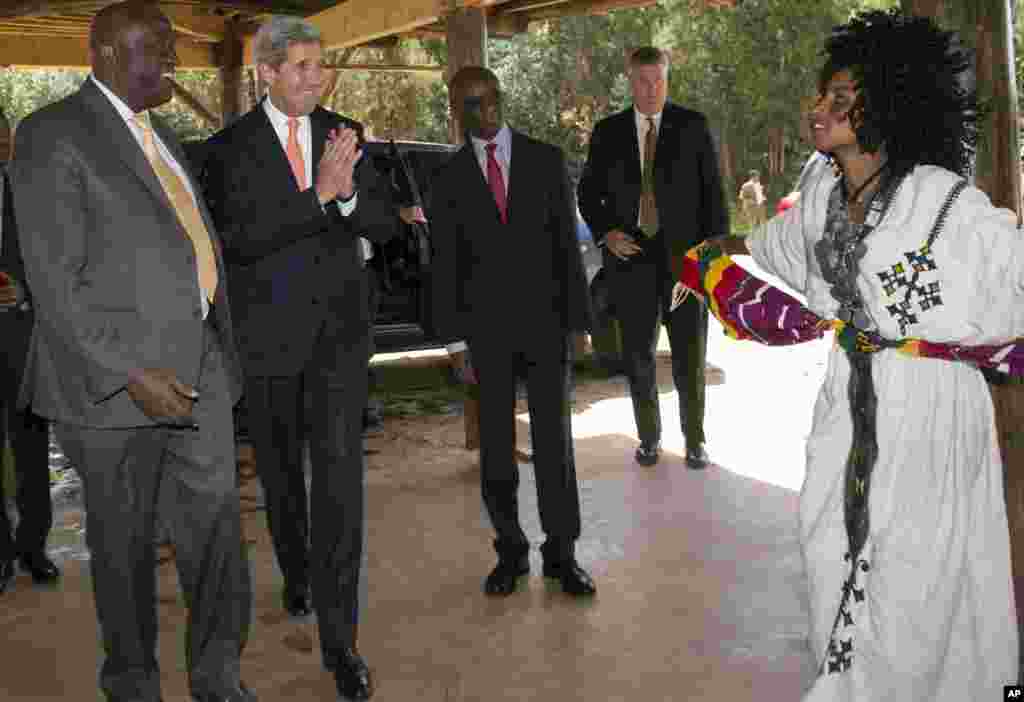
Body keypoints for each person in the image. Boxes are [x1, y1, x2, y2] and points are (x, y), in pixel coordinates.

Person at [692, 10, 1017, 699]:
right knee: (829, 547)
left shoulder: (944, 200)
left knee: (915, 577)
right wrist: (718, 251)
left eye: (841, 99)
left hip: (929, 410)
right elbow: (776, 243)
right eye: (822, 95)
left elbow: (1009, 277)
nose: (820, 110)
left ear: (891, 104)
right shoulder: (820, 196)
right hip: (848, 402)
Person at [9, 3, 253, 701]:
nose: (175, 60)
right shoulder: (53, 133)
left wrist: (215, 344)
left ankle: (216, 674)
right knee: (125, 549)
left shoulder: (162, 133)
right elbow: (54, 281)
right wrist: (127, 372)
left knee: (215, 534)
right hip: (116, 387)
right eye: (163, 49)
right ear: (113, 55)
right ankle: (133, 683)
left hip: (198, 371)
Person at [200, 16, 396, 701]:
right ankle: (297, 573)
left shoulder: (347, 135)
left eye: (321, 65)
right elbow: (236, 242)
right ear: (268, 72)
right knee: (282, 482)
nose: (317, 77)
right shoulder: (226, 150)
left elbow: (384, 224)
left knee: (340, 491)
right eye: (303, 66)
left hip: (340, 345)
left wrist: (347, 194)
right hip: (268, 348)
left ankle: (342, 645)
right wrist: (315, 196)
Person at [429, 66, 595, 598]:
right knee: (496, 452)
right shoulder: (449, 178)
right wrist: (455, 343)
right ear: (457, 114)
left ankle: (562, 555)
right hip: (486, 338)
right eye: (470, 106)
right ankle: (511, 553)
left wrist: (578, 323)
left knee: (555, 447)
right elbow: (446, 265)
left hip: (546, 328)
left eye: (490, 99)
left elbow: (567, 250)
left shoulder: (545, 160)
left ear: (501, 98)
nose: (485, 112)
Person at [577, 46, 729, 469]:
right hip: (631, 262)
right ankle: (648, 438)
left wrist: (708, 260)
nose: (650, 89)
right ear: (630, 80)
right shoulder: (607, 132)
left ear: (667, 79)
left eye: (657, 80)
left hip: (685, 265)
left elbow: (714, 199)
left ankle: (695, 440)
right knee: (638, 356)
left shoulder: (693, 126)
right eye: (642, 81)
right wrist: (607, 233)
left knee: (690, 355)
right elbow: (587, 193)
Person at [0, 113, 59, 595]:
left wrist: (24, 292)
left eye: (2, 134)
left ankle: (34, 547)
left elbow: (56, 262)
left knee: (31, 448)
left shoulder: (32, 191)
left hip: (24, 339)